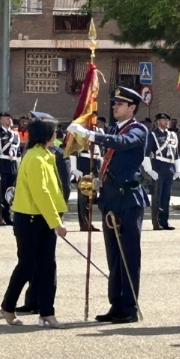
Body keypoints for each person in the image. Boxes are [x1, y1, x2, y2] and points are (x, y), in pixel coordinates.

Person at [68, 86, 149, 324]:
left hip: (128, 198)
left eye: (120, 104)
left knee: (129, 254)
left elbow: (122, 143)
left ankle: (129, 305)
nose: (114, 107)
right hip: (111, 196)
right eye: (114, 103)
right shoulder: (114, 128)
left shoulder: (139, 130)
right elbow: (109, 158)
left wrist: (92, 135)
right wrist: (97, 180)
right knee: (114, 254)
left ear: (132, 108)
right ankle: (116, 303)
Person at [0, 119, 67, 328]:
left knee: (47, 266)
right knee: (27, 266)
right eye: (54, 132)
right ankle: (8, 306)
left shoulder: (47, 155)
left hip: (42, 217)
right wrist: (56, 221)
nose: (56, 136)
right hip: (30, 218)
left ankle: (47, 311)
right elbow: (41, 192)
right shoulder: (35, 157)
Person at [143, 112, 180, 231]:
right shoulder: (153, 135)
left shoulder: (172, 135)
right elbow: (146, 154)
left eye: (167, 120)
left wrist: (178, 169)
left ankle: (165, 221)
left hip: (169, 168)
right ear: (158, 121)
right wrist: (149, 170)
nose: (166, 122)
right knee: (157, 197)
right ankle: (156, 222)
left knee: (166, 197)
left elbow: (176, 153)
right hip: (158, 168)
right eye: (164, 120)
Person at [0, 112, 21, 226]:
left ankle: (8, 215)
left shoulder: (15, 135)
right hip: (2, 164)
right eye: (6, 118)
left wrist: (19, 168)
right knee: (0, 192)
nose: (9, 120)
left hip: (12, 165)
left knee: (11, 192)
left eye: (10, 118)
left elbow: (18, 154)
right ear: (1, 120)